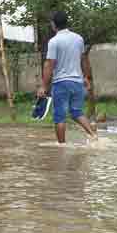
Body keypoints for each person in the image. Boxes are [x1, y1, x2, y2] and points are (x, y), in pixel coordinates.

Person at [37, 11, 98, 144]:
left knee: (59, 117)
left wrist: (43, 86)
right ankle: (93, 136)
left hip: (61, 83)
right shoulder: (78, 39)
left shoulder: (54, 41)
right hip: (77, 82)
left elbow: (49, 64)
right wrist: (86, 78)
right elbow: (84, 60)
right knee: (77, 112)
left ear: (53, 24)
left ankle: (62, 146)